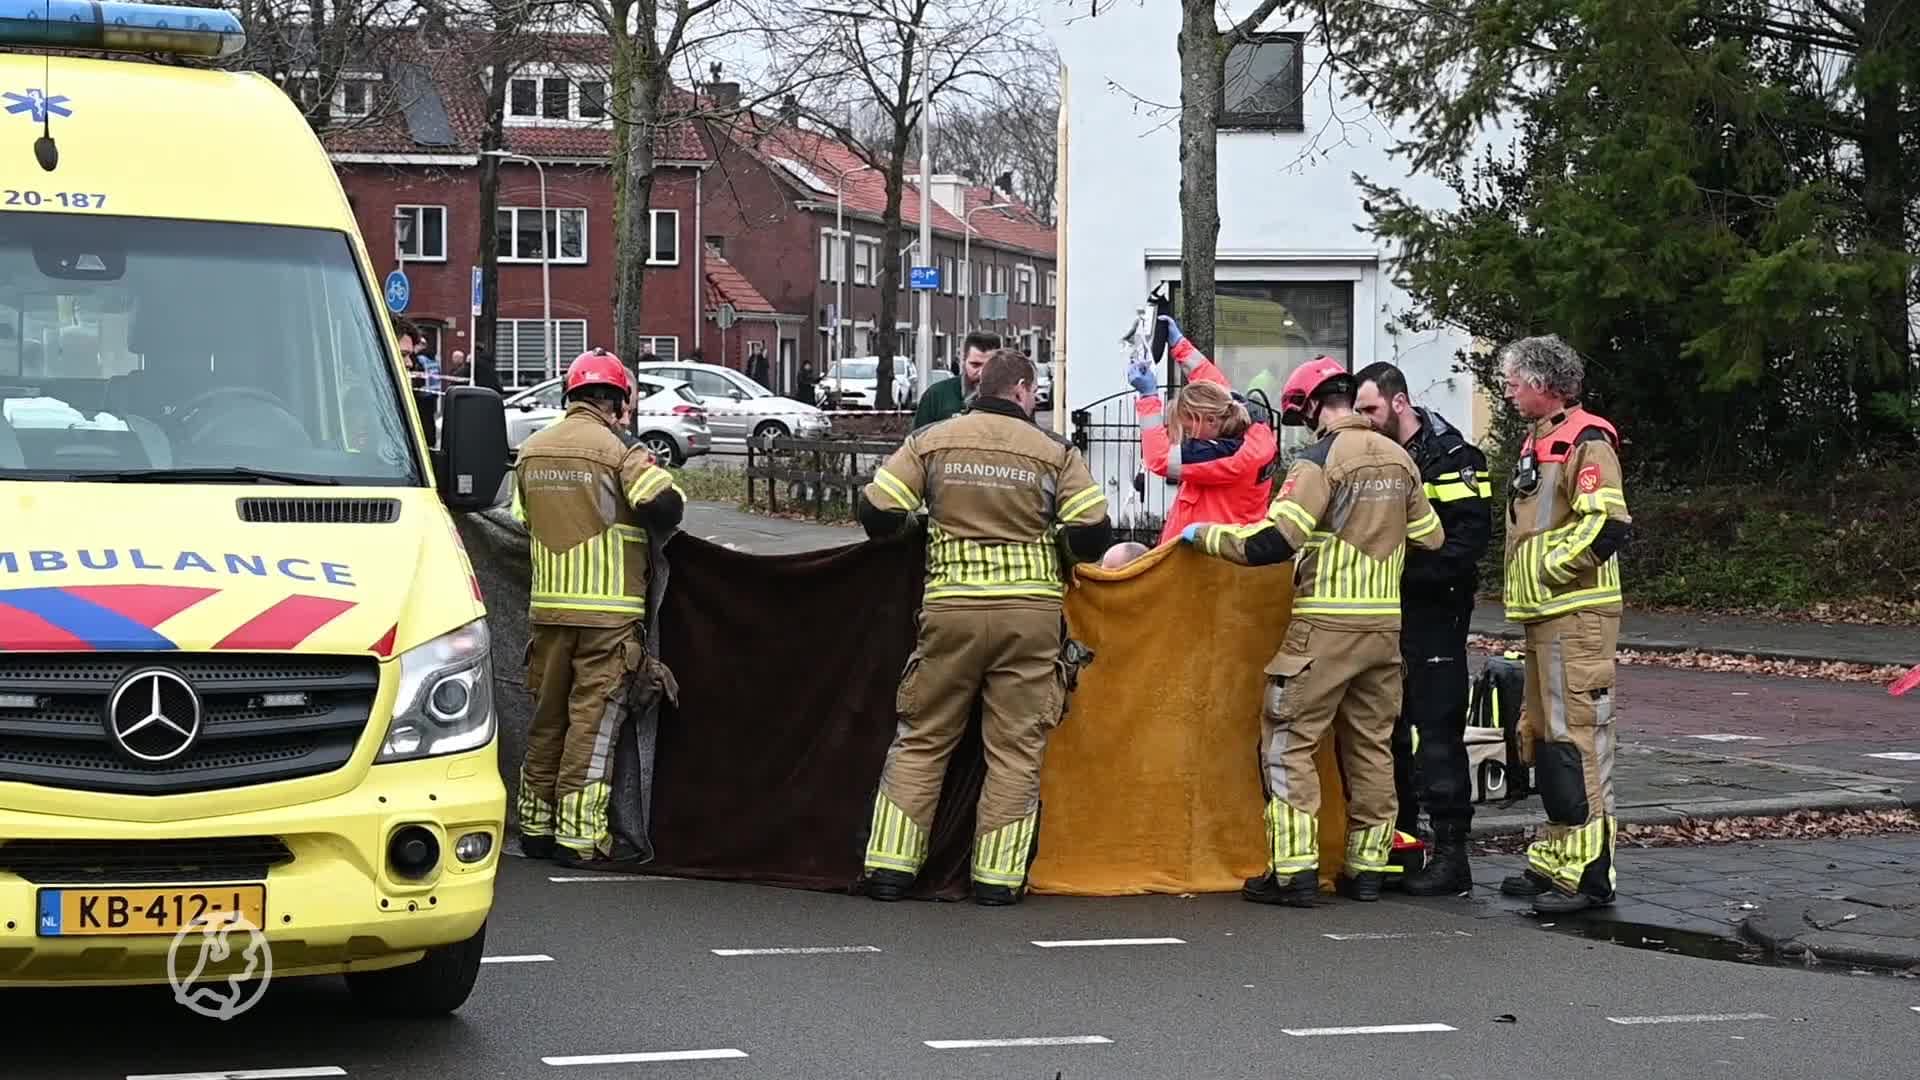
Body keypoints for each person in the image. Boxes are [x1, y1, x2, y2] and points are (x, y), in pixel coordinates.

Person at [1182, 358, 1443, 906]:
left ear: (1311, 408)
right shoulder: (1399, 458)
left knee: (1288, 742)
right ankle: (1367, 870)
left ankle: (1293, 872)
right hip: (1383, 631)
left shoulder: (1319, 461)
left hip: (1324, 628)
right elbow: (1431, 537)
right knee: (1371, 748)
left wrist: (1204, 536)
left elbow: (1274, 542)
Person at [856, 348, 1112, 906]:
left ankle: (889, 869)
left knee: (923, 739)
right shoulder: (1056, 453)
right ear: (1020, 389)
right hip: (1030, 617)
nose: (1036, 400)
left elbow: (877, 514)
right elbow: (1093, 536)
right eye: (1035, 392)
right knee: (1015, 750)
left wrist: (923, 525)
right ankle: (997, 880)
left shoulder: (931, 441)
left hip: (951, 611)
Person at [509, 348, 687, 871]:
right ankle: (578, 836)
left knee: (546, 720)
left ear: (572, 395)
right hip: (609, 617)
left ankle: (535, 828)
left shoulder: (531, 451)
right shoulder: (619, 451)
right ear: (617, 402)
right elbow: (665, 506)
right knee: (591, 723)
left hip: (548, 614)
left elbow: (521, 520)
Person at [1493, 335, 1632, 914]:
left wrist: (1549, 570)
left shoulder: (1587, 440)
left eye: (1513, 382)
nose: (1507, 391)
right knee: (1546, 739)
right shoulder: (1541, 437)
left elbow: (1608, 524)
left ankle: (1590, 874)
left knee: (1578, 740)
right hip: (1546, 616)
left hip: (1576, 615)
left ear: (1542, 384)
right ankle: (1556, 858)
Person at [1354, 361, 1494, 895]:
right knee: (1389, 731)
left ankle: (1453, 855)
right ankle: (1404, 844)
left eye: (1371, 408)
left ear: (1399, 402)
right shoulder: (1378, 459)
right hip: (1387, 614)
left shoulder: (1454, 458)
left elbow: (1467, 543)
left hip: (1435, 613)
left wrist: (1404, 573)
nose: (1365, 419)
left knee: (1435, 732)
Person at [1129, 315, 1277, 544]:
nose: (1190, 437)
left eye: (1190, 429)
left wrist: (1148, 398)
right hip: (1227, 546)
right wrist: (1179, 345)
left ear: (1210, 421)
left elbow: (1159, 459)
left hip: (1205, 556)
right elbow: (1214, 386)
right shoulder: (1248, 423)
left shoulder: (1226, 455)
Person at [913, 331, 1000, 428]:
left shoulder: (1009, 397)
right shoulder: (936, 395)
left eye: (989, 366)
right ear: (963, 361)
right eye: (975, 365)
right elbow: (918, 435)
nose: (981, 373)